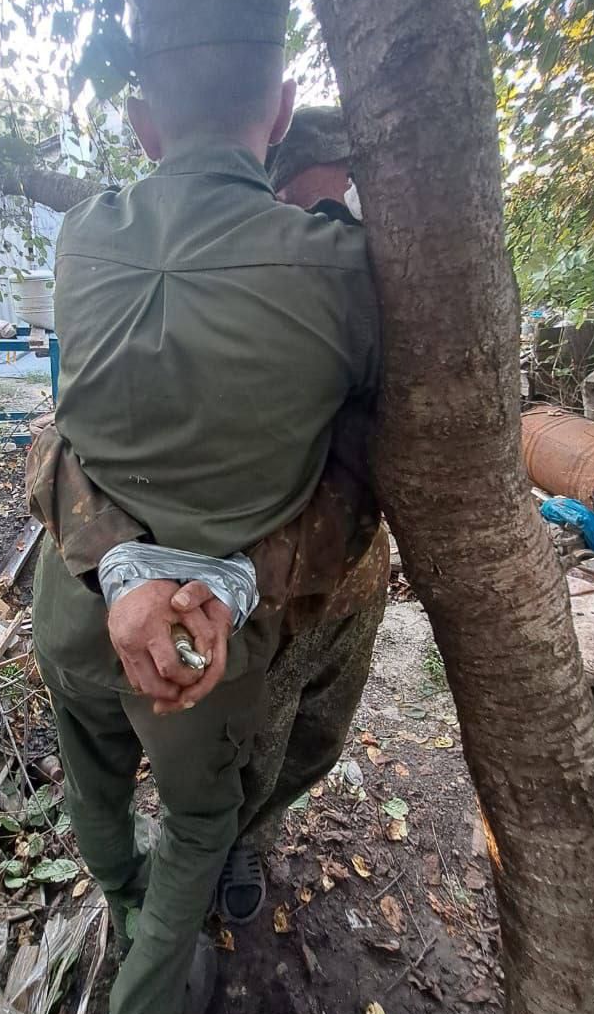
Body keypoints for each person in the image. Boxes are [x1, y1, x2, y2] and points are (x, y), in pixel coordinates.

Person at [30, 0, 381, 1014]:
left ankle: (116, 898)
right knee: (195, 830)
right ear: (280, 112)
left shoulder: (82, 240)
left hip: (76, 609)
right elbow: (377, 455)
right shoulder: (342, 275)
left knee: (87, 766)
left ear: (139, 123)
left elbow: (69, 436)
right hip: (195, 650)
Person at [29, 104, 388, 927]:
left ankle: (241, 834)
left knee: (309, 735)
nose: (304, 220)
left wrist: (241, 581)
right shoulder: (189, 270)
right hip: (218, 591)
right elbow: (68, 439)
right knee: (222, 737)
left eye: (328, 201)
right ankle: (209, 843)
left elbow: (368, 465)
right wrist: (130, 568)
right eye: (292, 198)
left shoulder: (354, 274)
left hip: (327, 571)